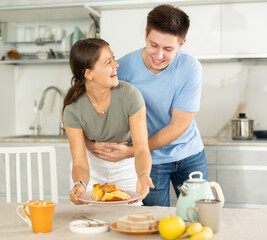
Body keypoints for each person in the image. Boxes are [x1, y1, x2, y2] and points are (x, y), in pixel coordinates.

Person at [85, 4, 208, 207]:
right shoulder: (121, 68)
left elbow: (179, 125)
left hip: (189, 153)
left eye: (168, 49)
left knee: (199, 216)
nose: (159, 55)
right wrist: (92, 144)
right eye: (153, 45)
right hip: (150, 161)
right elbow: (91, 111)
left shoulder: (190, 67)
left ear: (182, 43)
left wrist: (133, 151)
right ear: (145, 34)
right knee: (152, 221)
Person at [63, 38, 154, 205]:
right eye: (108, 62)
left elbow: (141, 149)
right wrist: (80, 184)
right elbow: (80, 162)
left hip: (126, 166)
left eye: (114, 58)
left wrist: (143, 176)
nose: (116, 64)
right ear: (88, 73)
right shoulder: (72, 109)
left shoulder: (130, 95)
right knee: (86, 218)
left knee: (129, 219)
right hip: (91, 167)